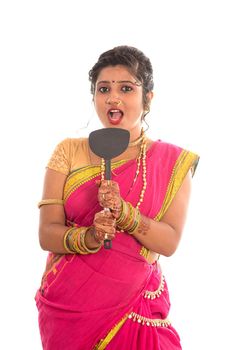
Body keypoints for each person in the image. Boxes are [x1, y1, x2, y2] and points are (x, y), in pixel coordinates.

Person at [35, 45, 199, 350]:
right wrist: (92, 235)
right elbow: (47, 233)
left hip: (136, 308)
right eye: (103, 89)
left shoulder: (171, 162)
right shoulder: (68, 151)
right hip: (71, 311)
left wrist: (125, 213)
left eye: (126, 88)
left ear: (147, 99)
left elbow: (170, 242)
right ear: (94, 96)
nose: (113, 97)